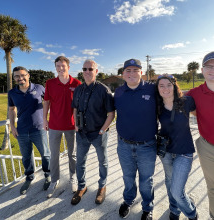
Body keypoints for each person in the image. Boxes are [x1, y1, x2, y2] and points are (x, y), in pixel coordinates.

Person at [114, 59, 157, 220]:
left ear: (141, 72)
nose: (132, 73)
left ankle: (147, 207)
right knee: (128, 177)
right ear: (123, 74)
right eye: (128, 70)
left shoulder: (153, 90)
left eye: (135, 70)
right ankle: (128, 200)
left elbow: (170, 98)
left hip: (147, 145)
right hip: (124, 145)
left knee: (146, 180)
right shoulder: (118, 92)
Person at [70, 59, 115, 205]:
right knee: (80, 162)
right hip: (82, 133)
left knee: (103, 161)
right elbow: (75, 108)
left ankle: (102, 186)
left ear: (96, 71)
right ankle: (81, 187)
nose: (87, 72)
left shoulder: (103, 90)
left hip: (98, 134)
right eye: (85, 69)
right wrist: (76, 125)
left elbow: (111, 113)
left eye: (90, 69)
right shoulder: (78, 88)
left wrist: (103, 130)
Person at [156, 74, 198, 220]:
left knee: (176, 190)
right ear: (158, 88)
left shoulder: (186, 101)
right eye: (161, 85)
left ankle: (192, 213)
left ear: (174, 85)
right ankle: (174, 209)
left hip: (184, 151)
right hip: (166, 152)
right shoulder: (158, 105)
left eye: (168, 85)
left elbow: (202, 114)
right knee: (169, 181)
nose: (165, 88)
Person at [8, 66, 51, 195]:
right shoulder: (12, 92)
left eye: (22, 75)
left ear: (28, 75)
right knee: (26, 157)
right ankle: (29, 177)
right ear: (14, 78)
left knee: (45, 154)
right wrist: (12, 126)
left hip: (39, 128)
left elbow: (49, 101)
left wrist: (48, 118)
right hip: (21, 131)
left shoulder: (39, 88)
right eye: (16, 76)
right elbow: (11, 110)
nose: (20, 78)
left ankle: (48, 175)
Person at [43, 56, 81, 198]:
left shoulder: (76, 83)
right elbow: (46, 102)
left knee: (72, 154)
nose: (60, 68)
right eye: (58, 66)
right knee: (54, 155)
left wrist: (77, 122)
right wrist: (44, 119)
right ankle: (54, 180)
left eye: (63, 66)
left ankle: (73, 178)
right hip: (54, 125)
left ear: (68, 67)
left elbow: (78, 106)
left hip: (71, 126)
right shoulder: (50, 83)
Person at [187, 51, 214, 220]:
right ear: (202, 70)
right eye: (209, 66)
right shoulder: (194, 94)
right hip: (207, 146)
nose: (212, 69)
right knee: (212, 186)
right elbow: (170, 98)